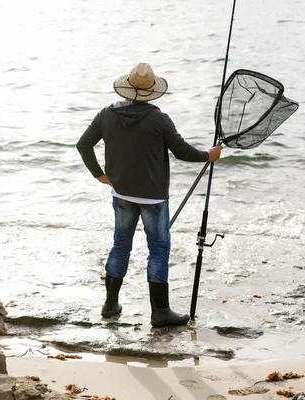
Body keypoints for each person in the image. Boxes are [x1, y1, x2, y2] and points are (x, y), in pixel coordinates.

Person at [76, 62, 222, 327]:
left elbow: (83, 145)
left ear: (126, 88)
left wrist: (100, 175)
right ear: (151, 90)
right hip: (153, 199)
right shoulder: (159, 119)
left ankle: (110, 305)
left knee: (121, 245)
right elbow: (182, 151)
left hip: (121, 194)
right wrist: (207, 156)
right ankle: (160, 312)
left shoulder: (106, 114)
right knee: (158, 250)